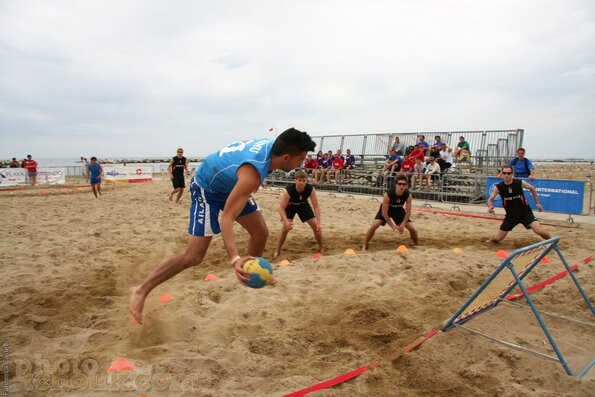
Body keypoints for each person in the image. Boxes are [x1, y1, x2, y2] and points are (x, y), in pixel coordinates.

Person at [128, 128, 316, 324]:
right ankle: (140, 290)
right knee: (194, 255)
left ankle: (251, 274)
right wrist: (234, 258)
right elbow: (226, 218)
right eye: (300, 159)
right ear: (286, 156)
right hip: (206, 187)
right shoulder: (252, 173)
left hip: (231, 184)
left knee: (260, 232)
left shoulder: (274, 147)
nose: (301, 164)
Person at [487, 165, 550, 243]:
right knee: (498, 238)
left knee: (540, 231)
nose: (506, 175)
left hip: (525, 213)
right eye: (504, 173)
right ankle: (489, 241)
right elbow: (490, 199)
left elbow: (532, 188)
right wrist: (490, 207)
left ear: (512, 174)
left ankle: (552, 241)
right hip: (511, 216)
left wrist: (537, 203)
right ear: (502, 174)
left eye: (508, 173)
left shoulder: (519, 182)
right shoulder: (498, 187)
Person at [273, 170, 323, 259]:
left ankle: (321, 247)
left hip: (303, 205)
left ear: (306, 181)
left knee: (316, 227)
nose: (301, 183)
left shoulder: (310, 189)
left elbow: (316, 207)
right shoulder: (288, 190)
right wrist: (286, 221)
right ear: (295, 180)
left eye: (304, 181)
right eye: (299, 180)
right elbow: (281, 208)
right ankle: (277, 250)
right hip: (291, 206)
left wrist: (319, 223)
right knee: (285, 228)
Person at [362, 174, 418, 250]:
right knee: (375, 225)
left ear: (406, 185)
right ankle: (365, 244)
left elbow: (408, 212)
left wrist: (402, 224)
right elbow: (384, 213)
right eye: (399, 184)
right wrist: (392, 226)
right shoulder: (388, 194)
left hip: (398, 210)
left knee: (412, 228)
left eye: (404, 184)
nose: (402, 186)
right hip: (388, 210)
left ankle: (416, 244)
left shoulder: (408, 195)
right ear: (396, 185)